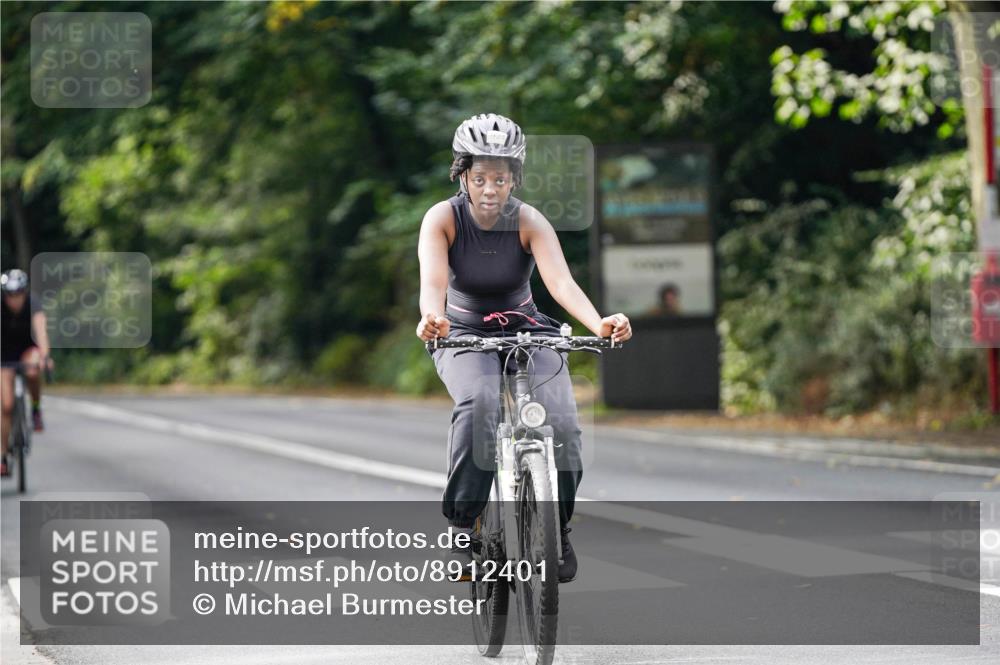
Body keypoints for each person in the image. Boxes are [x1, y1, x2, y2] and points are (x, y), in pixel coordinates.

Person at [415, 113, 632, 583]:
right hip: (463, 334)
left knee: (567, 428)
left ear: (514, 178)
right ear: (462, 176)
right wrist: (433, 318)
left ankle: (557, 527)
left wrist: (600, 322)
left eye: (500, 177)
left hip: (528, 330)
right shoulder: (443, 219)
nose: (490, 188)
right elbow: (432, 283)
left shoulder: (529, 220)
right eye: (479, 177)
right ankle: (464, 526)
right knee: (480, 403)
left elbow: (561, 283)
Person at [1, 269, 53, 477]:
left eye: (19, 294)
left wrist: (45, 357)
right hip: (4, 354)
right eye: (10, 295)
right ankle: (3, 456)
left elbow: (41, 332)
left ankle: (36, 408)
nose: (15, 300)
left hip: (26, 349)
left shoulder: (33, 304)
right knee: (5, 406)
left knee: (33, 369)